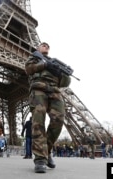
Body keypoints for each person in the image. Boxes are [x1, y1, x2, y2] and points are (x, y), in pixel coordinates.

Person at [25, 42, 71, 173]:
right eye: (42, 45)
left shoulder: (56, 63)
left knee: (59, 120)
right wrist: (44, 65)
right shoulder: (34, 57)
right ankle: (40, 158)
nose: (45, 46)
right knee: (38, 122)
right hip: (38, 89)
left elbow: (65, 83)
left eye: (47, 46)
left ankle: (47, 151)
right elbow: (28, 70)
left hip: (55, 91)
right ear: (38, 48)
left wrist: (62, 74)